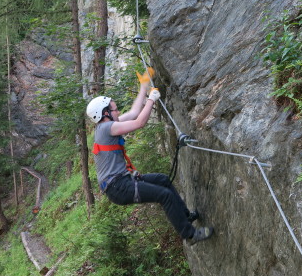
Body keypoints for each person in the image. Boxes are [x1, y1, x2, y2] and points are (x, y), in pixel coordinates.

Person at [86, 68, 213, 245]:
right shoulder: (108, 128)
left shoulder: (108, 126)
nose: (117, 112)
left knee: (162, 180)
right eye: (114, 110)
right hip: (118, 187)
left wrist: (144, 86)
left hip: (122, 182)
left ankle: (184, 217)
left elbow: (134, 113)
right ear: (104, 114)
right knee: (164, 195)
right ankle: (190, 235)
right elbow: (140, 122)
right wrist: (152, 100)